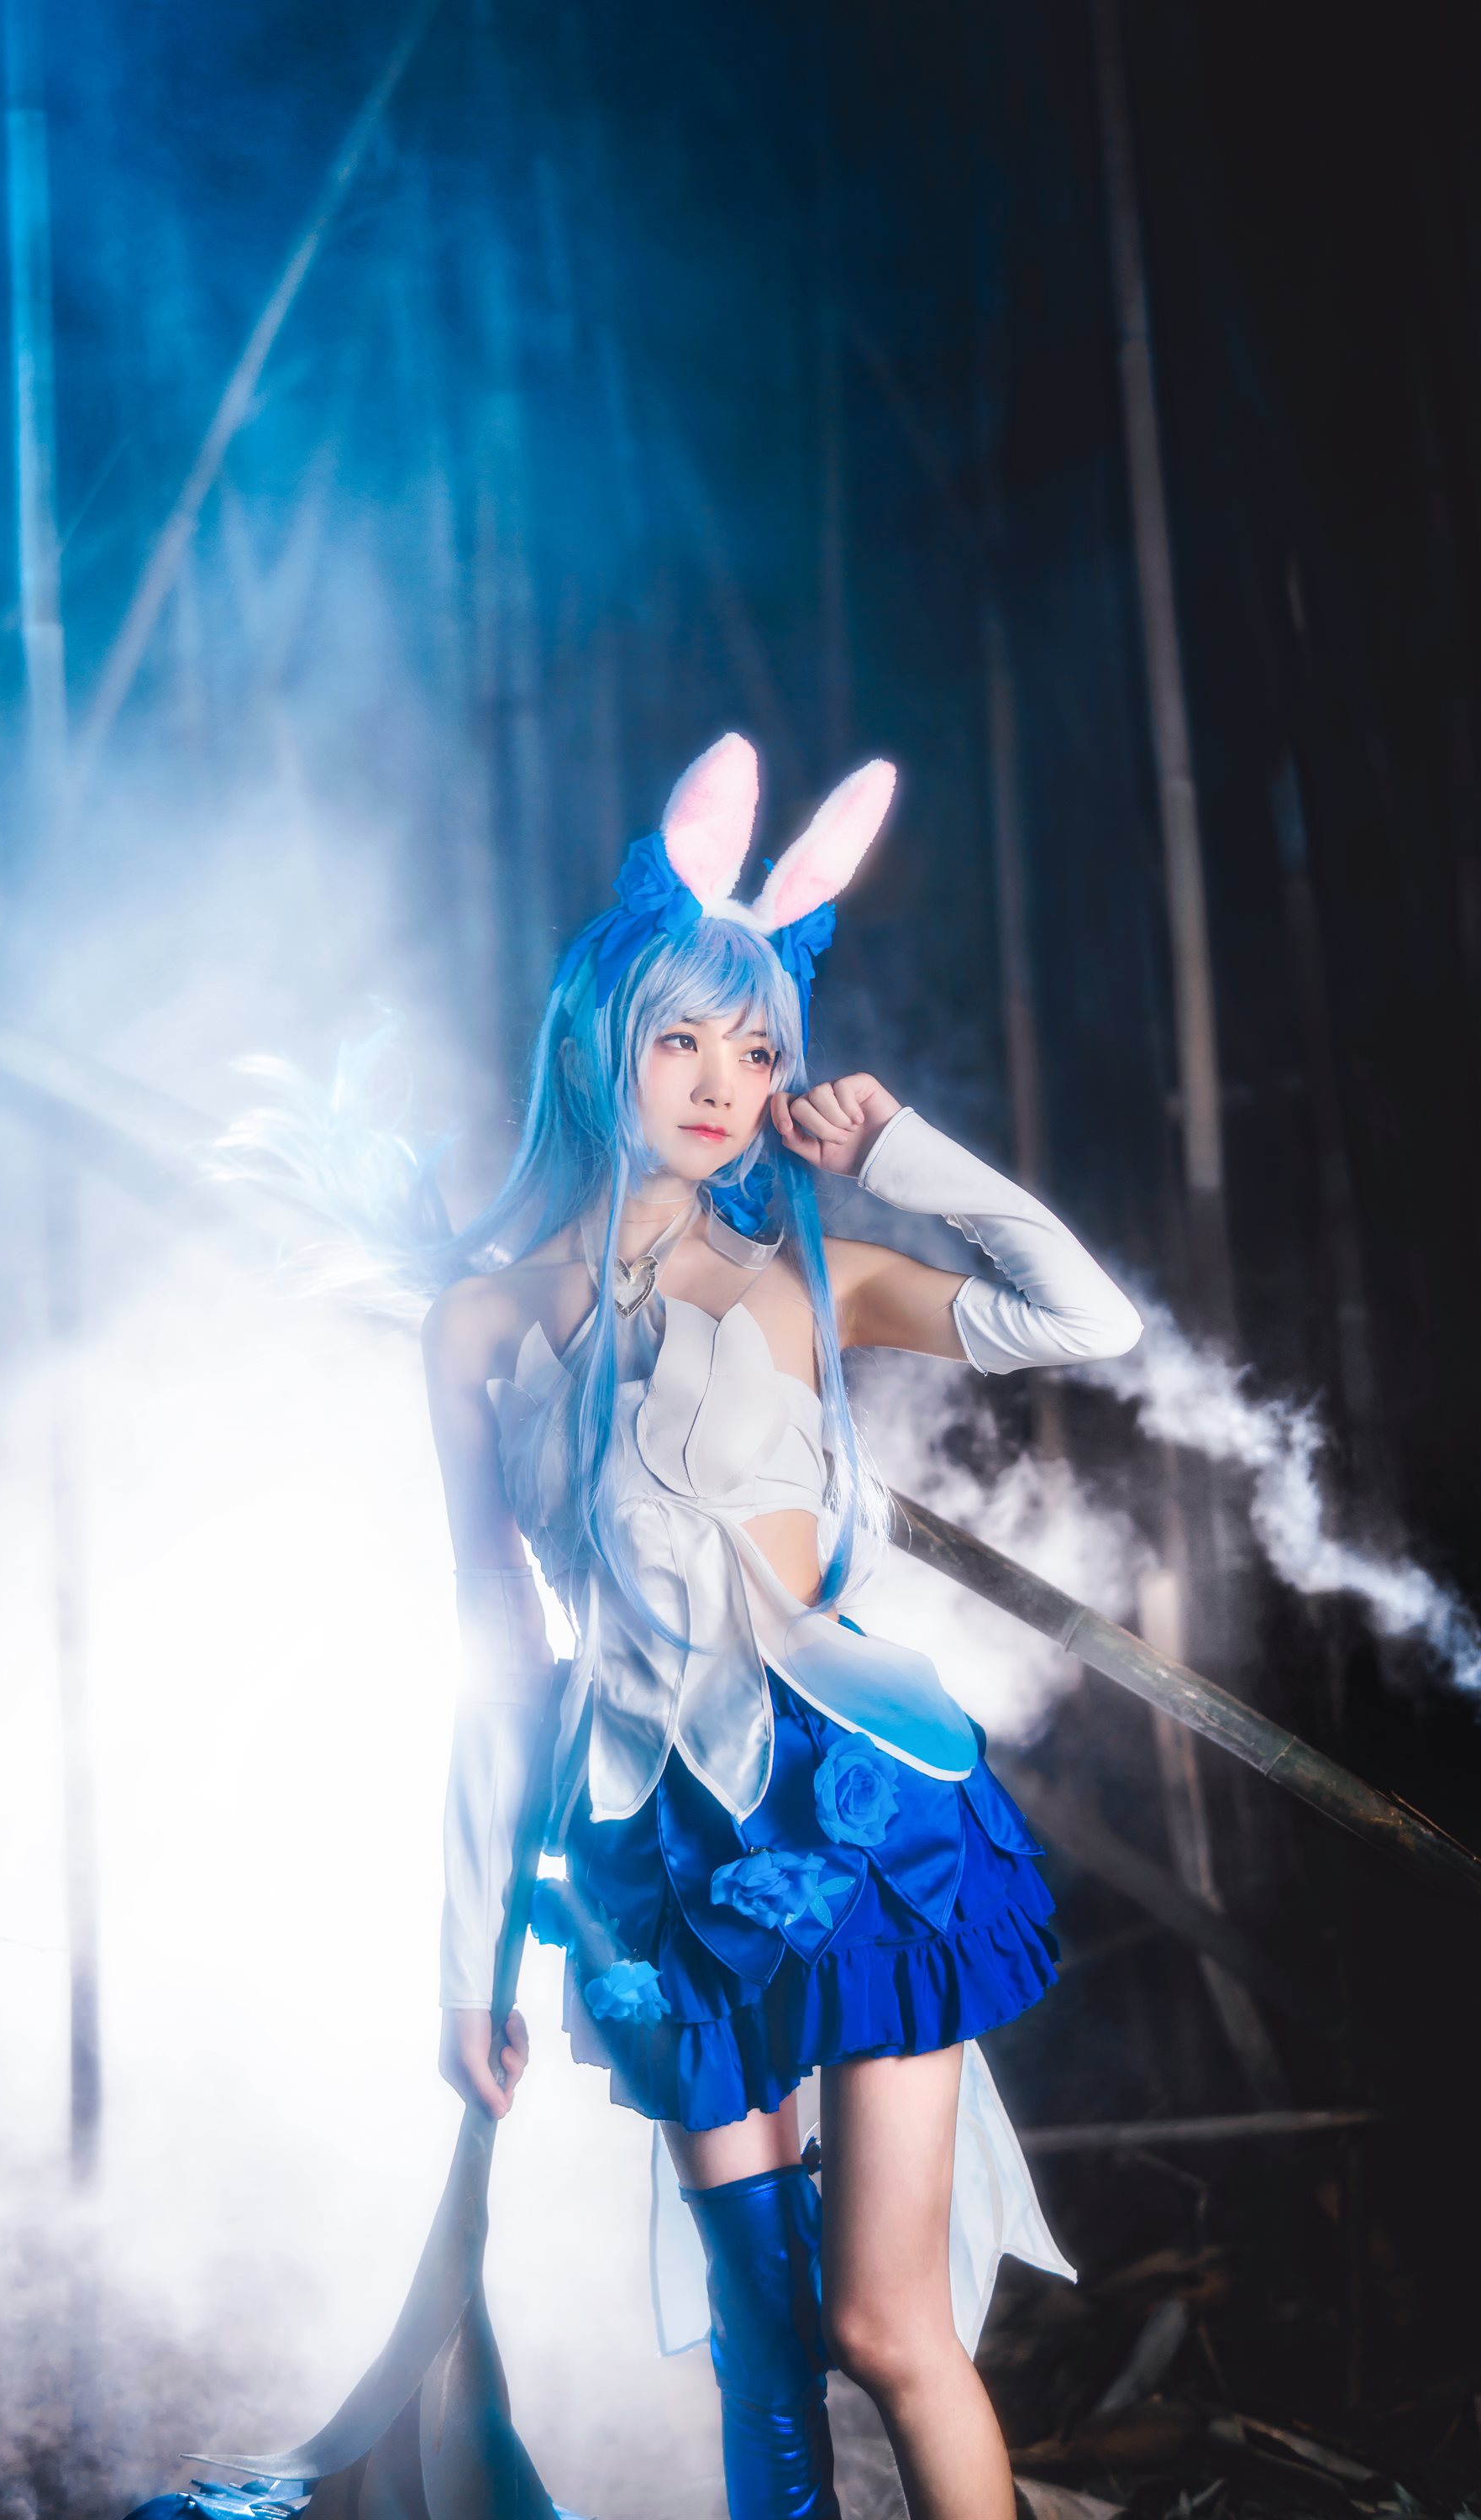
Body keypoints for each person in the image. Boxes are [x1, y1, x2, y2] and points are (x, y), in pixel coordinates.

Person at [420, 732, 1142, 2520]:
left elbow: (1088, 1322)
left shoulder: (812, 1277)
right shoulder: (479, 1325)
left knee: (884, 2327)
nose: (724, 1082)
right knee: (760, 2348)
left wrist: (902, 1151)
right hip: (650, 1844)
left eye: (757, 1049)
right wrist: (466, 1959)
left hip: (860, 1811)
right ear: (596, 1040)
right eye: (683, 1037)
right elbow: (494, 1651)